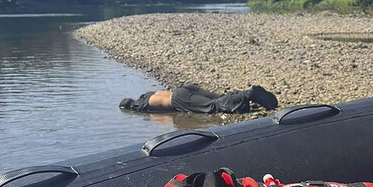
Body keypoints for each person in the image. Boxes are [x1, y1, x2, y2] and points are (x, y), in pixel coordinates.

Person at [119, 85, 278, 114]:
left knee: (213, 107)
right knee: (219, 98)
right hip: (183, 89)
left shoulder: (140, 106)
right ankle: (245, 98)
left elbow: (162, 121)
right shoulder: (146, 95)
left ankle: (247, 95)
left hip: (178, 100)